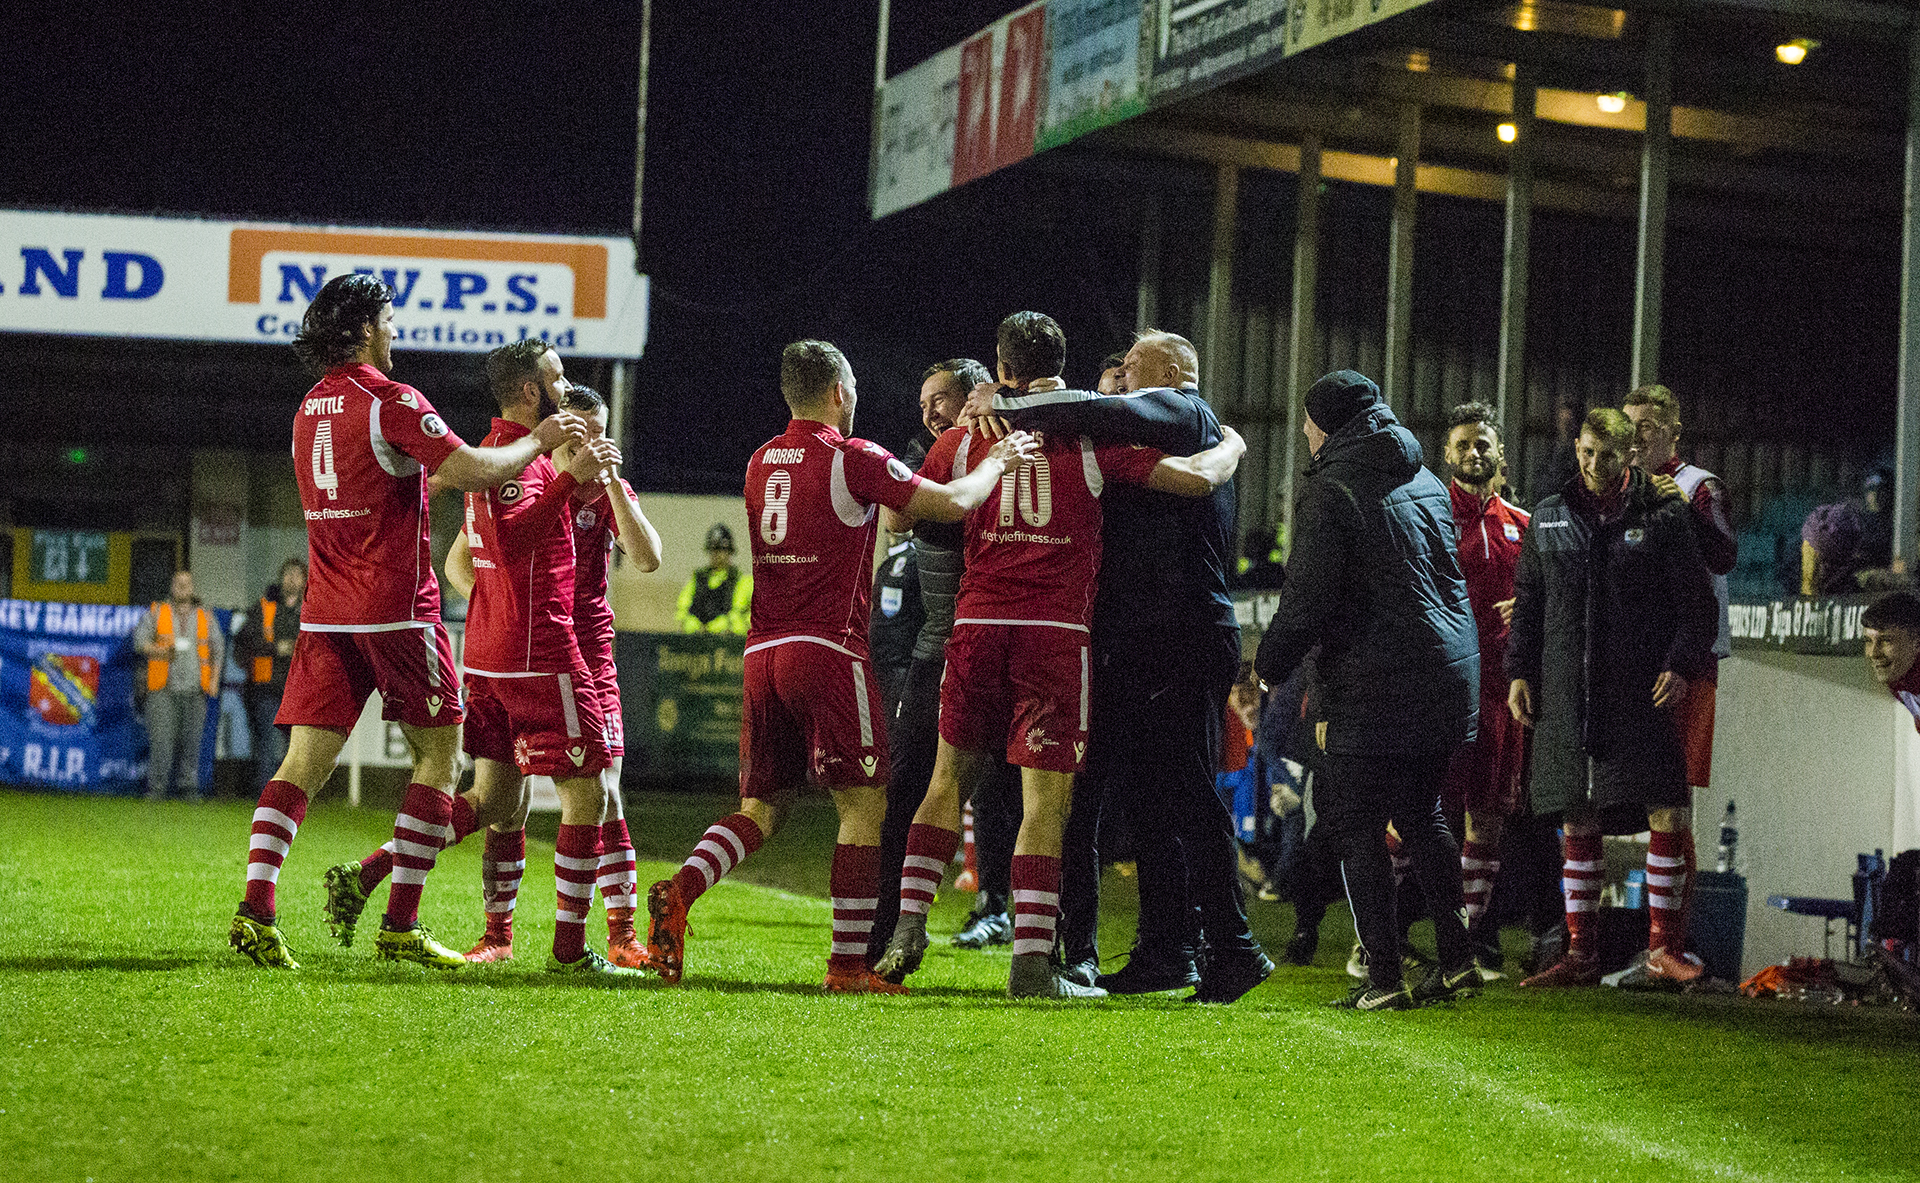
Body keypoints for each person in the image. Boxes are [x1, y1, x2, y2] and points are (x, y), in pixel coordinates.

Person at [643, 339, 1038, 993]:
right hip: (827, 650)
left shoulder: (760, 459)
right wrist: (997, 460)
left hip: (761, 652)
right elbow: (950, 502)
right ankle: (848, 965)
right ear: (838, 392)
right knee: (864, 804)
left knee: (762, 808)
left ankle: (681, 889)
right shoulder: (853, 458)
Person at [874, 312, 1248, 1000]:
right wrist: (1231, 444)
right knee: (1045, 802)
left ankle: (908, 924)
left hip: (978, 625)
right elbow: (1194, 480)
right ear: (1064, 365)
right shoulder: (1090, 442)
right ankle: (1032, 964)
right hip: (1054, 637)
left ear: (1001, 366)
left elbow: (899, 517)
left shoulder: (960, 441)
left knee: (945, 780)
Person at [229, 272, 585, 971]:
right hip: (395, 609)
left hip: (327, 613)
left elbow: (399, 475)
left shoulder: (308, 409)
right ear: (363, 328)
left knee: (302, 763)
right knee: (440, 753)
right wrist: (541, 440)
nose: (396, 332)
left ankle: (256, 908)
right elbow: (480, 468)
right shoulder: (390, 400)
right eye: (389, 319)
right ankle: (400, 920)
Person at [970, 328, 1271, 1003]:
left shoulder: (1185, 410)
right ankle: (1169, 951)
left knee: (1186, 793)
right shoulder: (1181, 436)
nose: (1121, 377)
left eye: (1132, 365)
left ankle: (1234, 946)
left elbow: (1107, 415)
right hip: (1151, 637)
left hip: (1177, 634)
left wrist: (1008, 402)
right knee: (1154, 800)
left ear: (1170, 371)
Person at [367, 383, 664, 969]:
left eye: (597, 432)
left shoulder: (599, 491)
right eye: (576, 431)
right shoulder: (524, 486)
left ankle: (621, 936)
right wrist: (507, 606)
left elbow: (648, 554)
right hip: (531, 654)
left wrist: (606, 482)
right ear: (555, 434)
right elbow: (460, 560)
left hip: (587, 655)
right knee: (507, 802)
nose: (587, 443)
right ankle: (503, 936)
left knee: (604, 794)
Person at [1253, 370, 1481, 1011]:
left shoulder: (1332, 491)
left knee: (1352, 823)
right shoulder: (1426, 478)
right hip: (1447, 675)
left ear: (1325, 424)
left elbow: (1307, 604)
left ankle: (1383, 977)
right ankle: (1459, 960)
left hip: (1378, 682)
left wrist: (1269, 667)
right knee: (1423, 814)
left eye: (1305, 420)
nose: (1300, 431)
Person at [1510, 407, 1719, 989]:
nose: (1592, 465)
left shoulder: (1663, 515)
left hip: (1640, 693)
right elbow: (1528, 601)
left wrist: (1679, 666)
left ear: (1629, 455)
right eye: (1584, 453)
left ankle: (1662, 951)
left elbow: (1698, 606)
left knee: (1667, 810)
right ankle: (1580, 954)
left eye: (1605, 455)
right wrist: (1519, 672)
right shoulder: (1549, 517)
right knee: (1577, 815)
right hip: (1566, 693)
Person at [867, 358, 1024, 962]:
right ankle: (889, 931)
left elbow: (898, 517)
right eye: (924, 401)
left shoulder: (1009, 449)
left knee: (1008, 797)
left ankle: (1022, 925)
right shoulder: (943, 454)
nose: (931, 411)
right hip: (942, 650)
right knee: (914, 789)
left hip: (988, 645)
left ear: (976, 397)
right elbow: (894, 518)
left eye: (942, 399)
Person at [1623, 385, 1735, 901]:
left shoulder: (1698, 486)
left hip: (1689, 659)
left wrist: (1683, 510)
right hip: (1631, 656)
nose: (1636, 435)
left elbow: (1724, 556)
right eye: (1630, 424)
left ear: (1673, 430)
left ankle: (1674, 937)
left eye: (1647, 425)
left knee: (1674, 795)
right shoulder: (1619, 485)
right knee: (1635, 799)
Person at [1440, 402, 1531, 978]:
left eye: (1484, 444)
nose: (1476, 452)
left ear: (1499, 454)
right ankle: (1378, 940)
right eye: (1465, 444)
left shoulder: (1523, 524)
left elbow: (1547, 601)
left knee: (1486, 820)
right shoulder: (1427, 515)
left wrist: (1530, 609)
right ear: (1447, 454)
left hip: (1501, 692)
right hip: (1442, 688)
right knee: (1413, 814)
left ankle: (1469, 945)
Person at [134, 569, 223, 802]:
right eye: (178, 583)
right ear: (171, 586)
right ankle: (157, 790)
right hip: (163, 688)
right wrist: (161, 651)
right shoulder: (157, 611)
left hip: (196, 689)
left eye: (187, 583)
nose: (183, 587)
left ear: (193, 587)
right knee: (161, 741)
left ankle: (188, 788)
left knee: (192, 742)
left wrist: (213, 681)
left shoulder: (206, 615)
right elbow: (139, 642)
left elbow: (218, 649)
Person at [231, 559, 305, 797]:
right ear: (281, 577)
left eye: (297, 574)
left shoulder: (311, 608)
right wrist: (276, 648)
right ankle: (266, 796)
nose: (292, 579)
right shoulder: (264, 607)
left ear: (304, 581)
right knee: (266, 745)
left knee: (296, 748)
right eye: (288, 574)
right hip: (267, 688)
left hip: (298, 690)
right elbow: (244, 639)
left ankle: (289, 797)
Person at [675, 523, 751, 634]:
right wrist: (691, 624)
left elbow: (740, 613)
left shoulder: (742, 581)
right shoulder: (697, 579)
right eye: (714, 549)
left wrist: (722, 625)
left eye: (722, 549)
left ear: (729, 551)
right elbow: (683, 609)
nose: (717, 554)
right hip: (698, 640)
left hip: (729, 642)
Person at [1866, 591, 1920, 723]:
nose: (1874, 653)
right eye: (1868, 641)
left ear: (1917, 643)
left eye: (1886, 640)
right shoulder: (1899, 681)